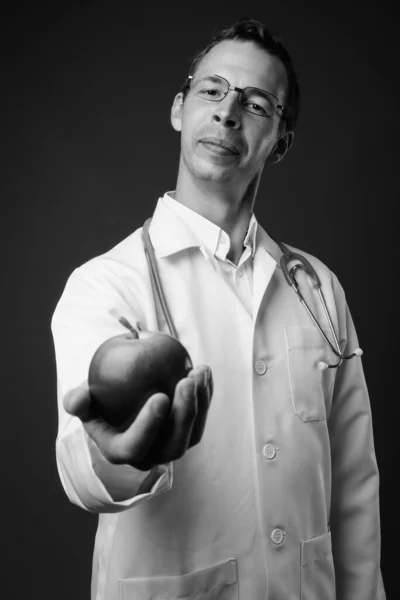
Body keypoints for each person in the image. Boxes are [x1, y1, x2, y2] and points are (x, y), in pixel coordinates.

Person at [51, 17, 385, 600]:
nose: (228, 112)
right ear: (180, 109)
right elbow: (83, 468)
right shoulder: (106, 285)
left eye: (256, 103)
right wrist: (122, 459)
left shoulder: (319, 291)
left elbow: (355, 494)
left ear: (280, 141)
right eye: (212, 90)